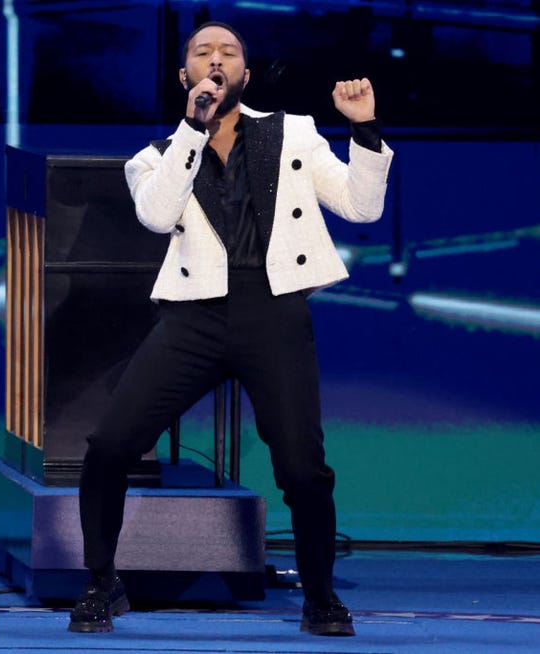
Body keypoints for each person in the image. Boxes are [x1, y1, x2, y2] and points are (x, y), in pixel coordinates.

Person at [68, 22, 393, 637]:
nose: (216, 59)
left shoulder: (292, 131)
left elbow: (362, 206)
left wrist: (364, 129)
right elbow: (160, 215)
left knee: (302, 468)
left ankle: (320, 598)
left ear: (244, 71)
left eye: (229, 52)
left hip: (274, 310)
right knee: (109, 446)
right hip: (194, 314)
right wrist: (193, 128)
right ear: (185, 74)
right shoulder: (155, 156)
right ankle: (101, 582)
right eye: (202, 52)